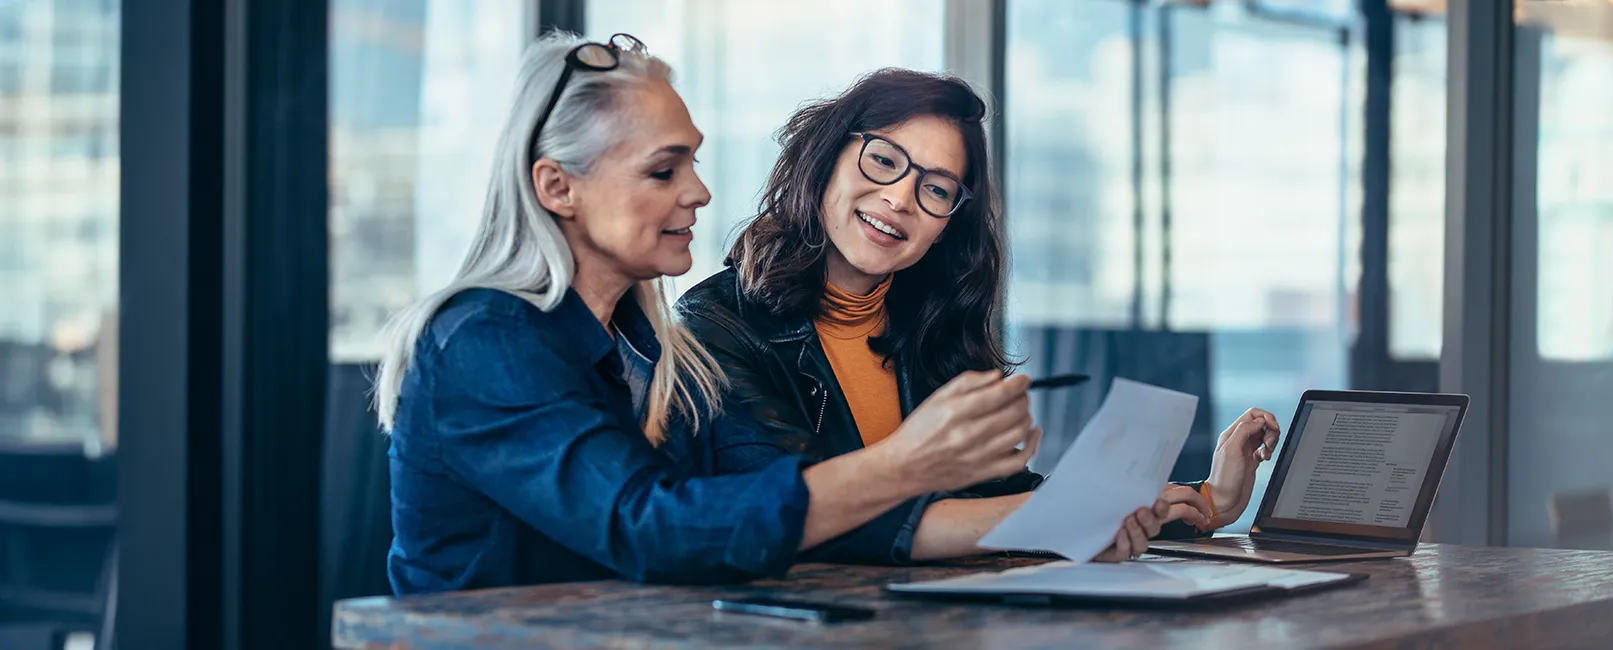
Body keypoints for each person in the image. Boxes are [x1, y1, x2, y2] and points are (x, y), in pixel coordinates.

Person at [376, 34, 1168, 595]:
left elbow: (782, 510)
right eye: (664, 168)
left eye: (692, 159)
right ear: (557, 188)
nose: (699, 192)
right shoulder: (484, 340)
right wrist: (907, 464)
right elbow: (650, 528)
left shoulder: (649, 348)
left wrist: (1086, 515)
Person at [676, 68, 1282, 562]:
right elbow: (806, 515)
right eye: (884, 160)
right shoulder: (713, 327)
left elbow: (998, 500)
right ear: (827, 158)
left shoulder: (928, 329)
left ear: (946, 227)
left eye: (936, 189)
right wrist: (1071, 517)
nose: (900, 198)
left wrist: (1208, 500)